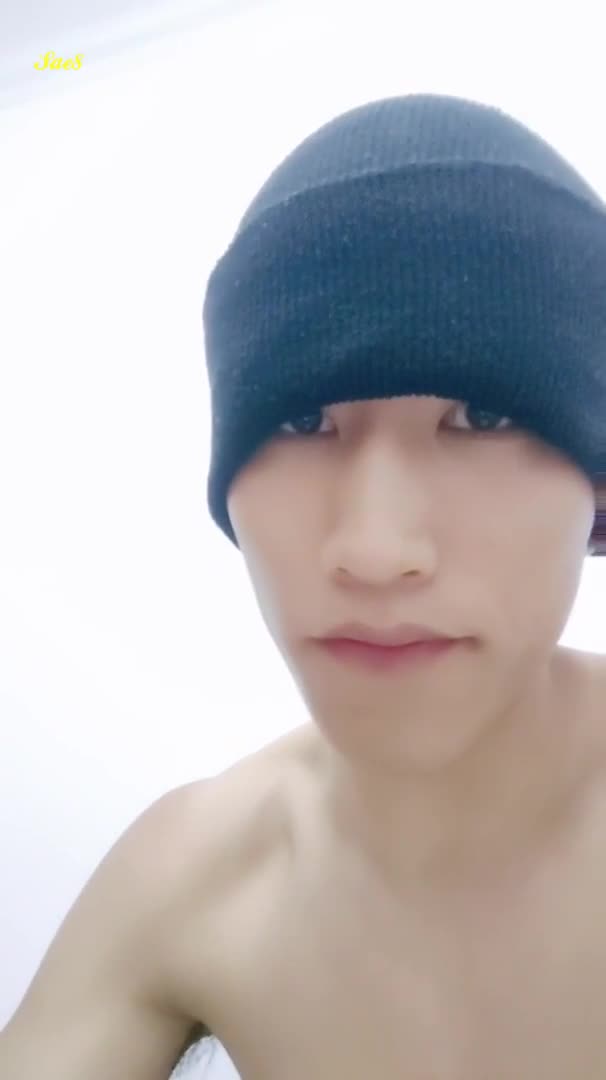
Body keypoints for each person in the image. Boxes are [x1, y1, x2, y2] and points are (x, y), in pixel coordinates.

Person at [3, 92, 606, 1080]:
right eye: (298, 422)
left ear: (597, 479)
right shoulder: (188, 880)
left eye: (483, 415)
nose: (374, 548)